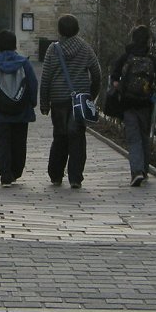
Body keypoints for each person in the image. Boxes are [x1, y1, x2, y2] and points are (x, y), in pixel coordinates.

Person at [39, 13, 102, 190]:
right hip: (79, 100)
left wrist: (44, 103)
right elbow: (96, 74)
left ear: (59, 30)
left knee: (59, 136)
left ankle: (56, 174)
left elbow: (46, 78)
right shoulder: (85, 48)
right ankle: (75, 177)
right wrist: (91, 95)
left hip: (58, 100)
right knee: (77, 138)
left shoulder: (53, 49)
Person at [109, 24, 156, 186]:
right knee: (144, 137)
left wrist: (120, 87)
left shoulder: (125, 58)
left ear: (132, 39)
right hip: (146, 104)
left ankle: (136, 171)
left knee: (133, 138)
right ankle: (144, 170)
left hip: (127, 104)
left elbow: (115, 79)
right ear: (148, 40)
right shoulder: (153, 60)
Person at [0, 29, 37, 185]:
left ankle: (5, 172)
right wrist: (32, 102)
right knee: (19, 142)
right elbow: (32, 84)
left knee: (3, 142)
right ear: (14, 44)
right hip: (21, 109)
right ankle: (16, 171)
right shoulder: (24, 62)